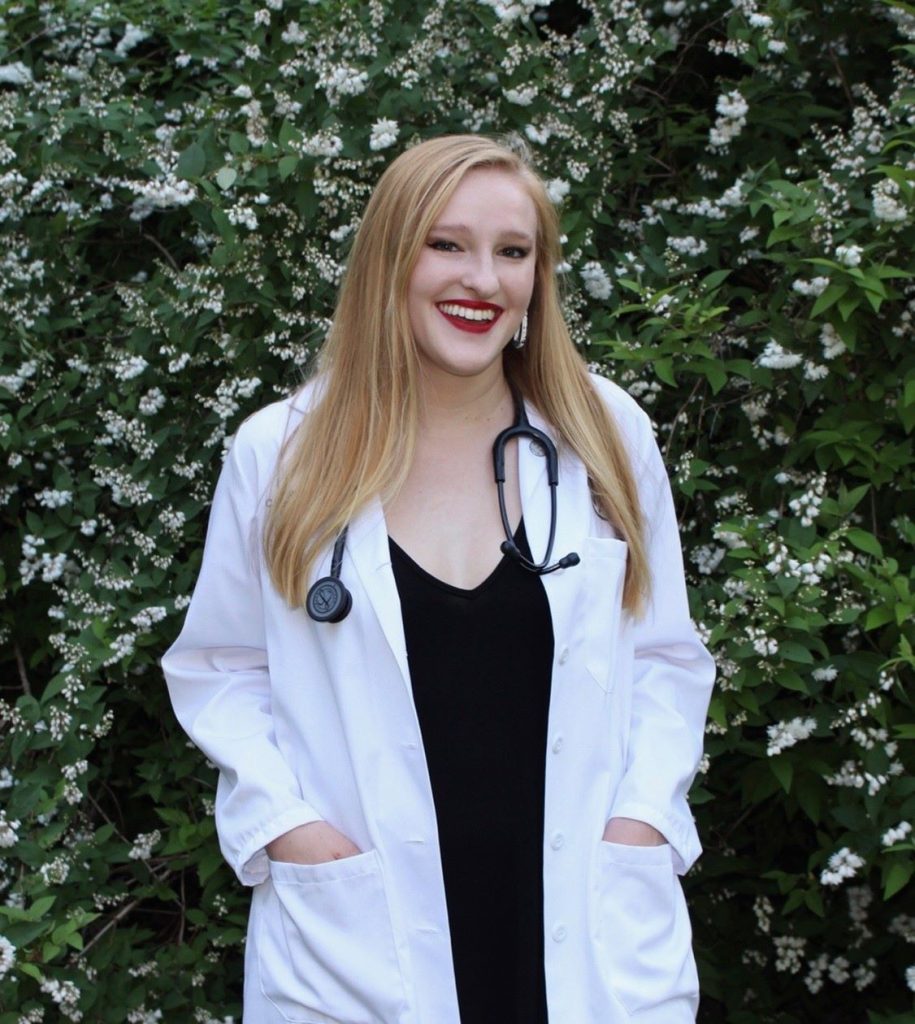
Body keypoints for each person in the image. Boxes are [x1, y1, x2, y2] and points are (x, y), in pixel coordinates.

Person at [162, 133, 715, 1024]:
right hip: (361, 944)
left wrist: (642, 819)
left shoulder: (605, 438)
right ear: (389, 259)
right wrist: (288, 830)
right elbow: (221, 667)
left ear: (539, 276)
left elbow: (666, 659)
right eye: (446, 244)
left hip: (586, 932)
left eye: (512, 252)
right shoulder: (282, 452)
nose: (482, 281)